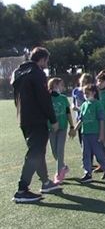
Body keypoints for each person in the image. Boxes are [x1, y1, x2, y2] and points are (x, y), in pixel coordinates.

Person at [11, 47, 62, 202]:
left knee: (37, 151)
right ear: (42, 59)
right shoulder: (38, 73)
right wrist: (53, 120)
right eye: (47, 60)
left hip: (24, 118)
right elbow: (44, 100)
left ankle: (46, 182)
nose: (47, 63)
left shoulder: (17, 73)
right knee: (35, 153)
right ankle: (22, 189)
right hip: (37, 119)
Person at [75, 84, 105, 183]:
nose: (85, 95)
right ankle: (88, 173)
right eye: (84, 93)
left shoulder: (97, 104)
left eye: (88, 92)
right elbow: (81, 120)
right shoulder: (84, 105)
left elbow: (101, 120)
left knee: (99, 154)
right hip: (85, 134)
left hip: (94, 133)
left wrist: (101, 134)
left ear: (94, 93)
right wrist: (74, 129)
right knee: (85, 154)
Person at [48, 78, 75, 184]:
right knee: (55, 152)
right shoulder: (47, 98)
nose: (63, 86)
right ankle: (63, 167)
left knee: (60, 150)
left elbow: (68, 113)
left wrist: (72, 126)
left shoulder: (63, 98)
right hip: (51, 128)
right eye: (61, 84)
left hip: (62, 127)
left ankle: (59, 174)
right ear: (55, 85)